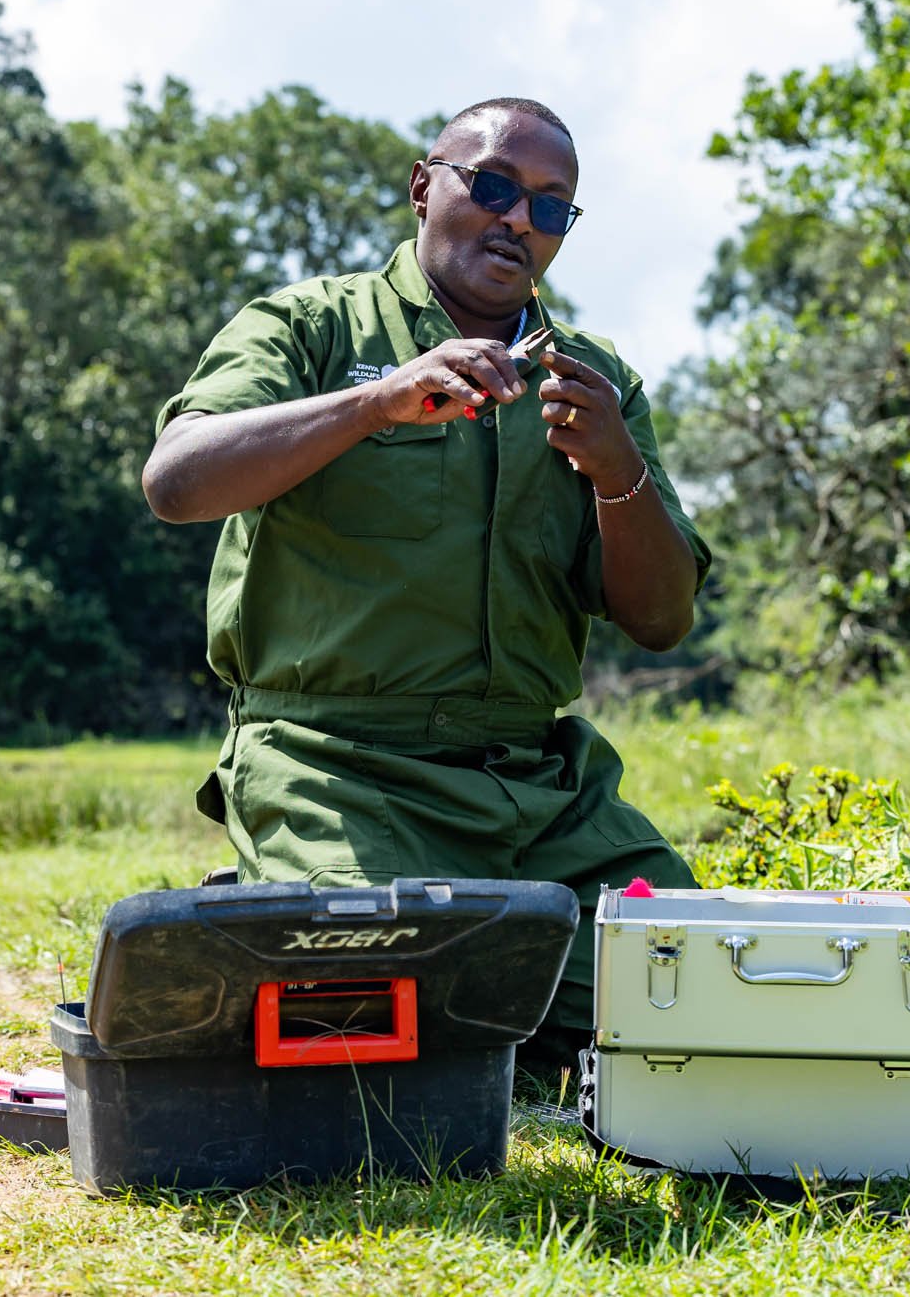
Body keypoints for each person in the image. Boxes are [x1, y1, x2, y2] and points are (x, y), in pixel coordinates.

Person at [141, 97, 710, 1073]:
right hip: (338, 768)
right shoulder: (311, 326)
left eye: (550, 207)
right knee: (370, 1032)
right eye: (492, 186)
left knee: (693, 989)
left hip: (538, 787)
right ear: (422, 186)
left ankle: (460, 973)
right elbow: (177, 480)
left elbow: (661, 620)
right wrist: (378, 402)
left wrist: (620, 471)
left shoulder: (595, 377)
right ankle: (286, 896)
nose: (517, 220)